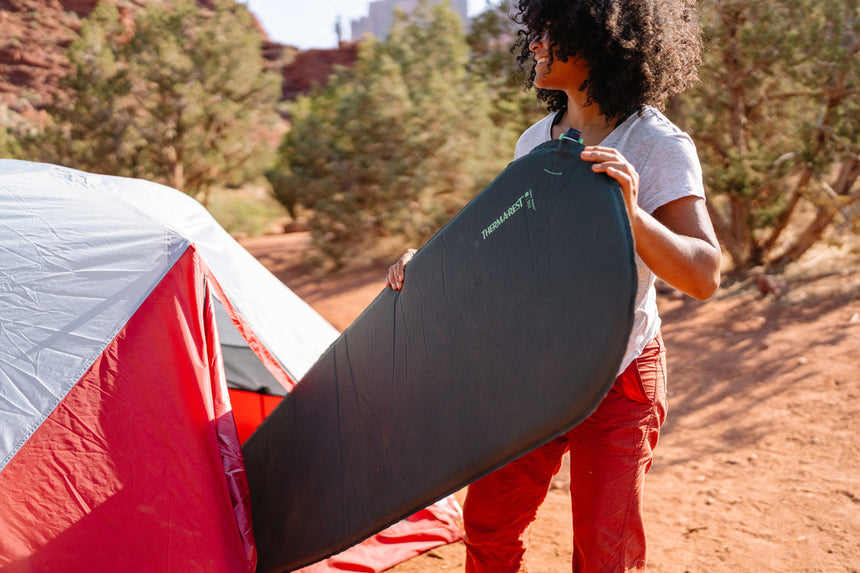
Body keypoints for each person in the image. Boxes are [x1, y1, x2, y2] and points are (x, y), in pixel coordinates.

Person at [386, 0, 721, 570]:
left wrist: (632, 213)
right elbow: (507, 252)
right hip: (530, 372)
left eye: (550, 31)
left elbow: (705, 275)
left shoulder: (657, 144)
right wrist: (431, 266)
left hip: (619, 377)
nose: (535, 44)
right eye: (535, 32)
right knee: (490, 527)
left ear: (601, 38)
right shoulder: (534, 141)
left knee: (604, 551)